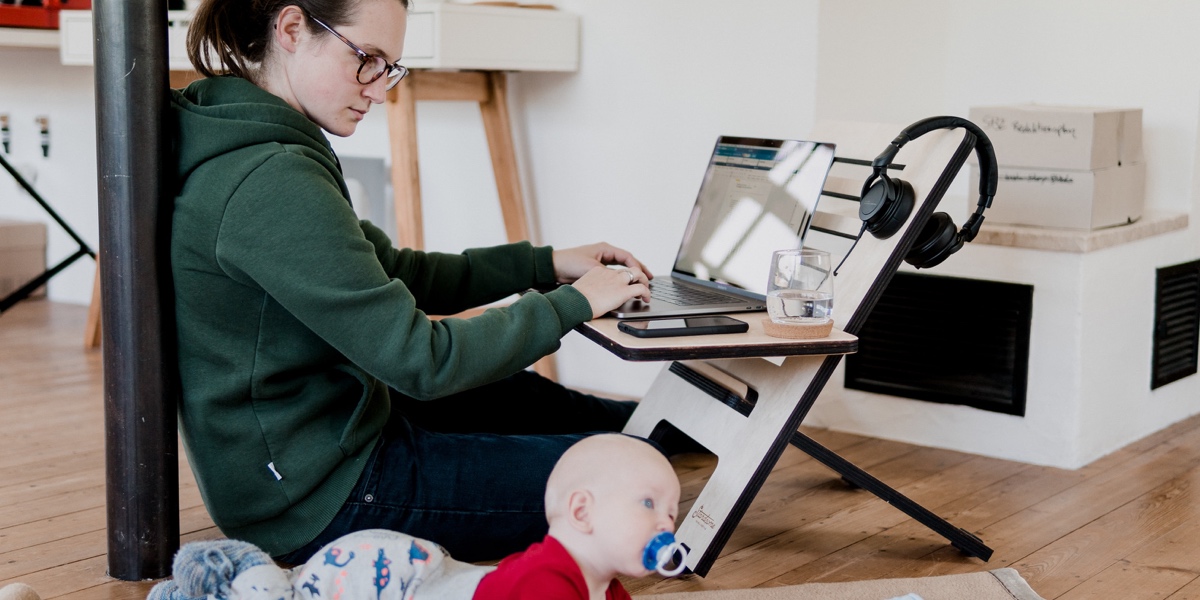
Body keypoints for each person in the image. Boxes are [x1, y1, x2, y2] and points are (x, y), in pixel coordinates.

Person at [170, 0, 656, 566]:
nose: (380, 89)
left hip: (327, 436)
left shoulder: (245, 134)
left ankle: (661, 431)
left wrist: (545, 263)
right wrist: (574, 303)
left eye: (389, 67)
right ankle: (652, 448)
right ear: (292, 29)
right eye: (367, 59)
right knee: (621, 479)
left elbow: (401, 273)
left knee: (528, 399)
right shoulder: (268, 178)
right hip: (321, 496)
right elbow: (422, 361)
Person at [473, 434, 683, 600]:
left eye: (671, 514)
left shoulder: (610, 590)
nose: (667, 524)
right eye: (649, 503)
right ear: (582, 512)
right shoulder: (541, 581)